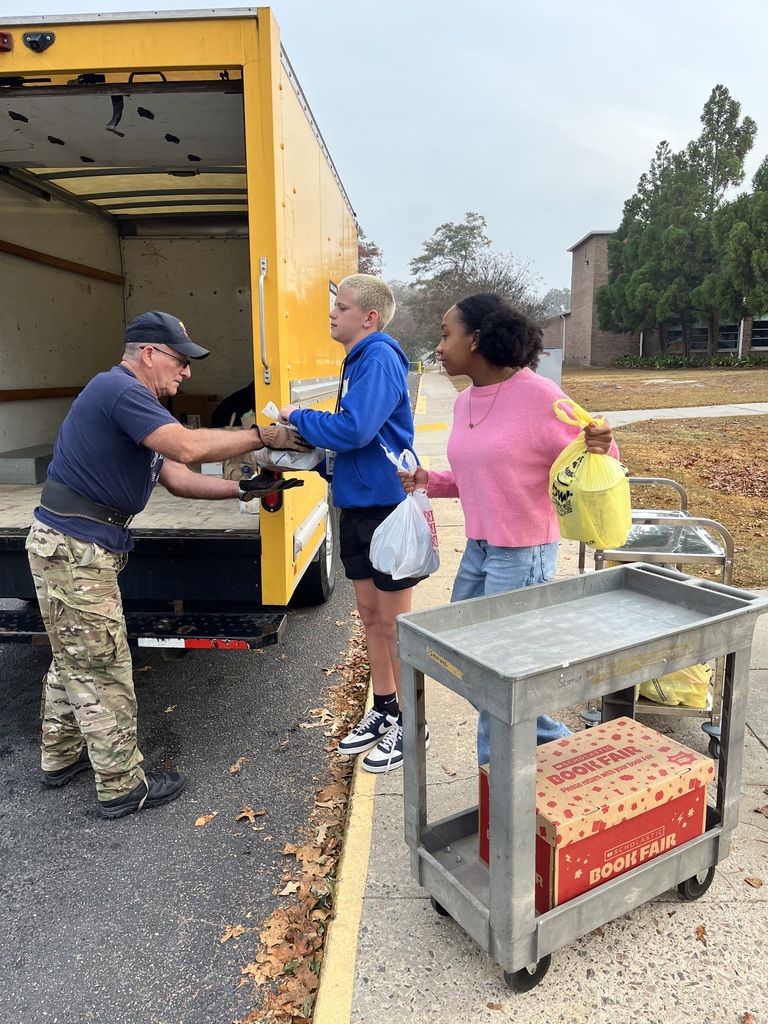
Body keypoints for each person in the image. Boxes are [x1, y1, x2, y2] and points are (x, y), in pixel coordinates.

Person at [28, 310, 311, 819]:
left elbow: (178, 476)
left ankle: (60, 756)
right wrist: (261, 436)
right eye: (180, 361)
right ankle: (120, 786)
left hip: (79, 545)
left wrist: (244, 488)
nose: (186, 373)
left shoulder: (138, 406)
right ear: (150, 354)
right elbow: (185, 444)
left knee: (75, 654)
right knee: (102, 663)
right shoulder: (120, 390)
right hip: (74, 547)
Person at [400, 293, 619, 766]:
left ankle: (499, 784)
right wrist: (428, 481)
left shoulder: (538, 395)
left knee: (498, 673)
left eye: (445, 334)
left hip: (523, 551)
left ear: (476, 338)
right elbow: (480, 476)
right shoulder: (464, 403)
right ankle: (552, 743)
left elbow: (599, 458)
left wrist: (602, 442)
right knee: (468, 663)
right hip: (480, 548)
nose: (438, 346)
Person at [277, 274, 426, 774]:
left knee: (395, 623)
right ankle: (383, 708)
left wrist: (297, 417)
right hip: (359, 504)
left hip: (387, 507)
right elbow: (354, 441)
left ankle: (412, 720)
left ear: (369, 317)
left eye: (340, 308)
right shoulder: (358, 360)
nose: (330, 315)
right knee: (368, 613)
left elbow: (355, 429)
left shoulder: (380, 356)